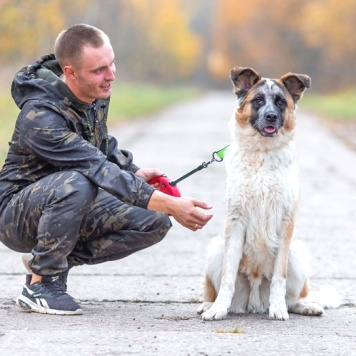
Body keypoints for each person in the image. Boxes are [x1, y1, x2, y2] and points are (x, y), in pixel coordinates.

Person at [0, 24, 213, 315]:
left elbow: (102, 146)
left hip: (69, 200)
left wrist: (133, 172)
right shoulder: (40, 115)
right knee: (78, 183)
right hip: (15, 213)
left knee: (154, 220)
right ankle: (40, 285)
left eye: (112, 64)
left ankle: (50, 260)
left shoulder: (95, 93)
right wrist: (174, 204)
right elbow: (96, 168)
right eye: (99, 70)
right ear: (70, 72)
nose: (111, 75)